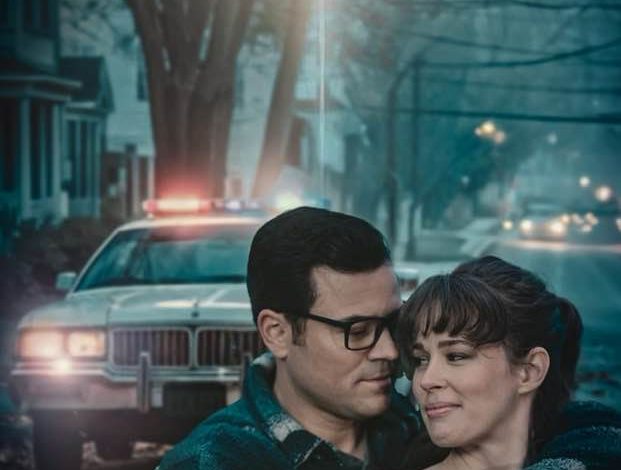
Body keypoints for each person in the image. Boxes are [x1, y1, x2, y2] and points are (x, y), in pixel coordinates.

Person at [158, 206, 418, 470]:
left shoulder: (421, 432)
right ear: (277, 332)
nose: (389, 350)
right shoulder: (208, 462)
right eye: (358, 331)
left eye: (393, 322)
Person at [396, 255, 621, 470]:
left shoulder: (596, 453)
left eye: (456, 356)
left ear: (530, 371)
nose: (426, 380)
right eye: (421, 360)